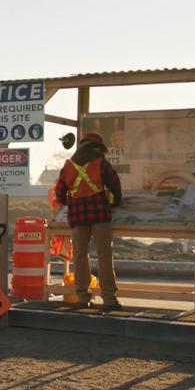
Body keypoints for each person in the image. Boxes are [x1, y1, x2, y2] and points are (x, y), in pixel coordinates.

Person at [56, 132, 123, 312]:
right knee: (104, 255)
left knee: (80, 256)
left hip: (77, 217)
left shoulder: (68, 166)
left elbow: (60, 194)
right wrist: (116, 202)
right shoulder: (102, 164)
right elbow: (115, 186)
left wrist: (73, 202)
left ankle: (83, 297)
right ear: (98, 148)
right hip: (100, 214)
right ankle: (109, 299)